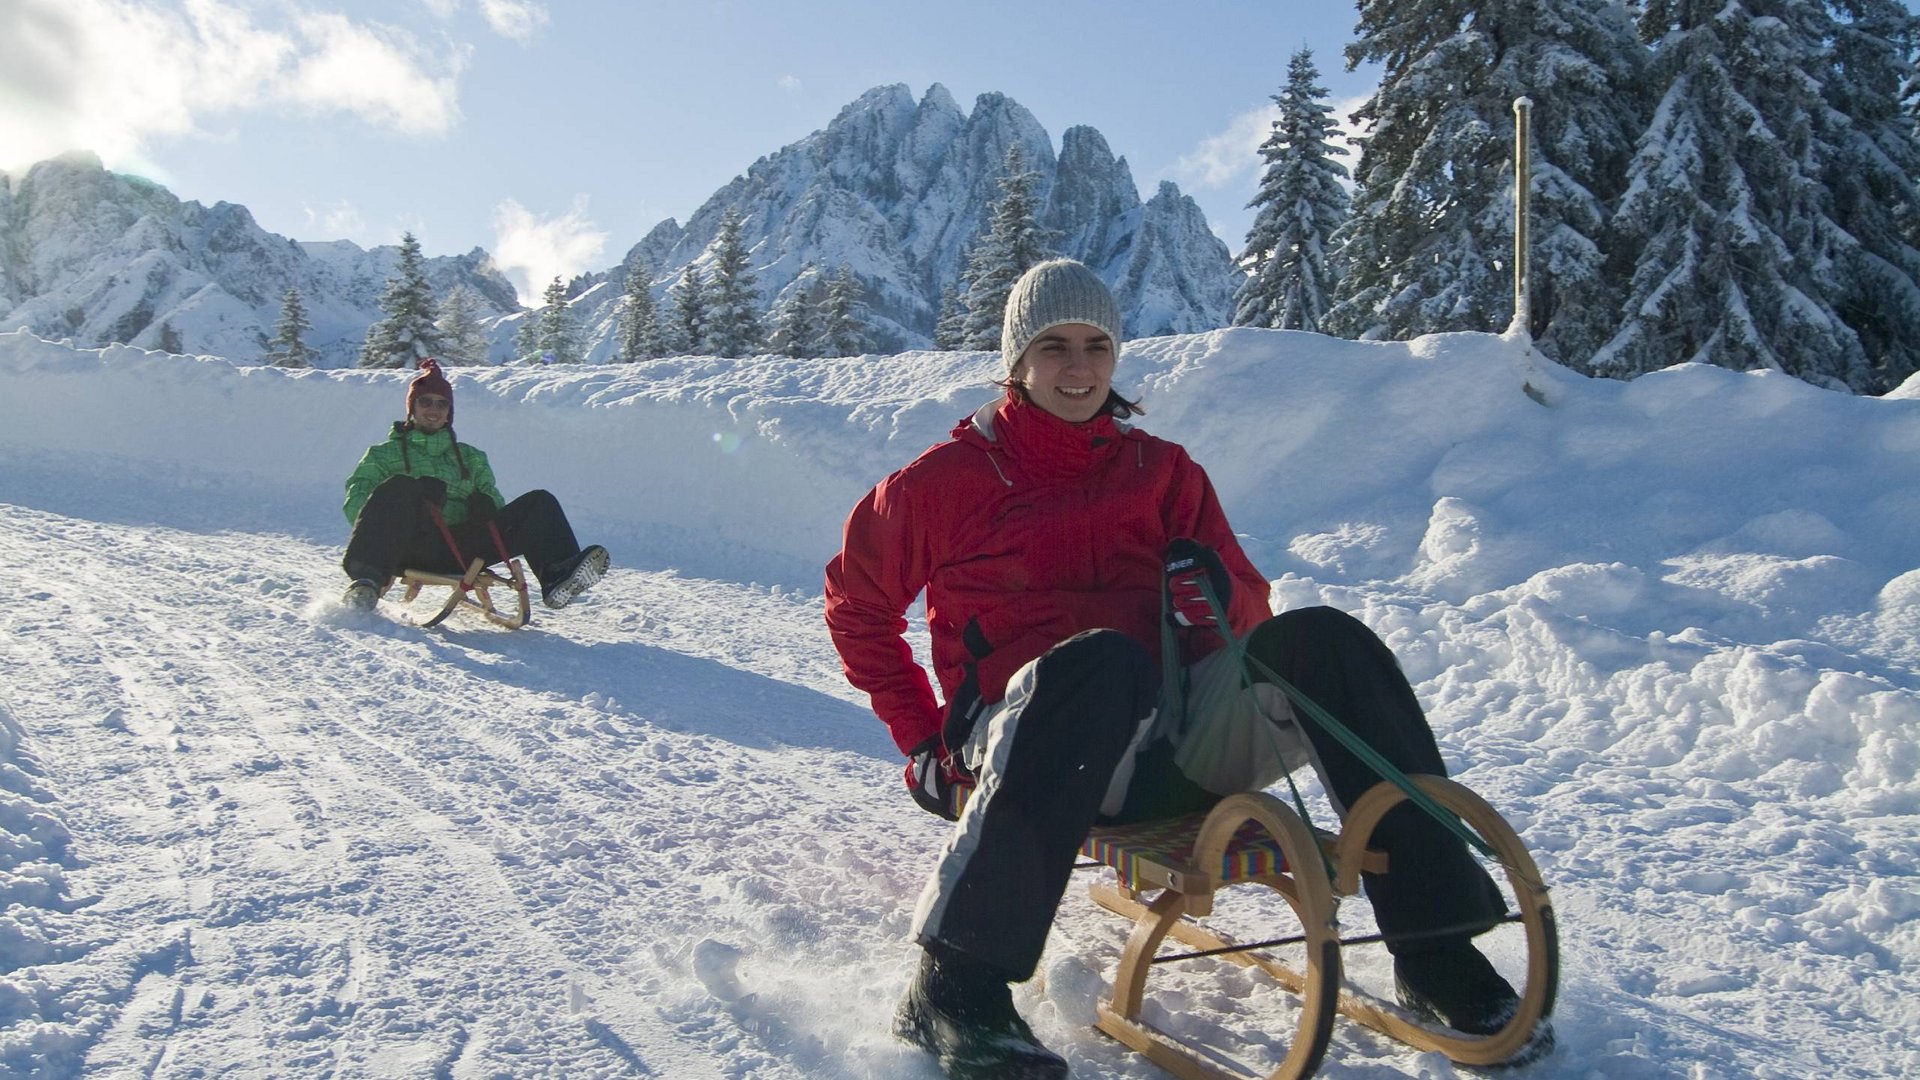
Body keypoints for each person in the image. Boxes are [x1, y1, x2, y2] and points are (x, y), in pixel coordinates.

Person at [823, 260, 1546, 1079]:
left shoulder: (1162, 472)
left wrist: (1212, 596)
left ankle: (1434, 949)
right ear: (1016, 361)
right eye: (1054, 346)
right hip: (1035, 742)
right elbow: (858, 606)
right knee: (1098, 662)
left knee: (1325, 642)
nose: (1078, 367)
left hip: (1175, 742)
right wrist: (923, 740)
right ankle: (955, 988)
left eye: (1097, 345)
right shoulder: (943, 483)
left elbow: (1249, 614)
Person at [341, 358, 608, 613]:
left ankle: (557, 574)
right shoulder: (382, 455)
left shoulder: (471, 457)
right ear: (412, 407)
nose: (434, 410)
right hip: (407, 546)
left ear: (449, 412)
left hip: (462, 549)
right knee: (399, 485)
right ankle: (367, 582)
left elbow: (493, 498)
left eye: (442, 404)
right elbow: (357, 503)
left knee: (540, 501)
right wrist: (412, 497)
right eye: (426, 402)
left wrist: (485, 505)